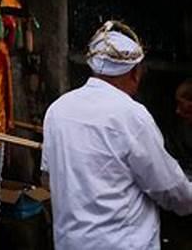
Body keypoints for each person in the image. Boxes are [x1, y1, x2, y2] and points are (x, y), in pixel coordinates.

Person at [41, 20, 192, 250]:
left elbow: (46, 178)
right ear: (134, 73)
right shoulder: (131, 114)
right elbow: (169, 189)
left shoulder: (57, 110)